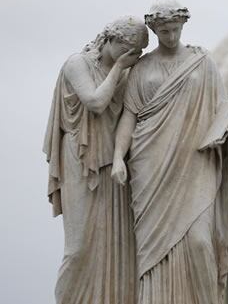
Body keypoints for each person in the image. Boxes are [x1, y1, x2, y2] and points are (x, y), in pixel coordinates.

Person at [111, 0, 228, 304]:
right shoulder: (142, 68)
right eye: (164, 31)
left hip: (196, 160)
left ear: (183, 26)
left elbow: (220, 110)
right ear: (155, 30)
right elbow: (129, 116)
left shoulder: (202, 62)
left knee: (200, 241)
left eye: (175, 29)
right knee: (151, 250)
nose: (171, 36)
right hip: (150, 165)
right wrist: (117, 159)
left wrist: (225, 129)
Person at [43, 16, 148, 304]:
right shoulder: (78, 63)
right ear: (112, 40)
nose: (134, 57)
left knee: (117, 246)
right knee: (78, 249)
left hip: (114, 163)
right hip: (80, 156)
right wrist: (119, 69)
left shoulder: (126, 71)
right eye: (131, 50)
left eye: (139, 52)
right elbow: (96, 102)